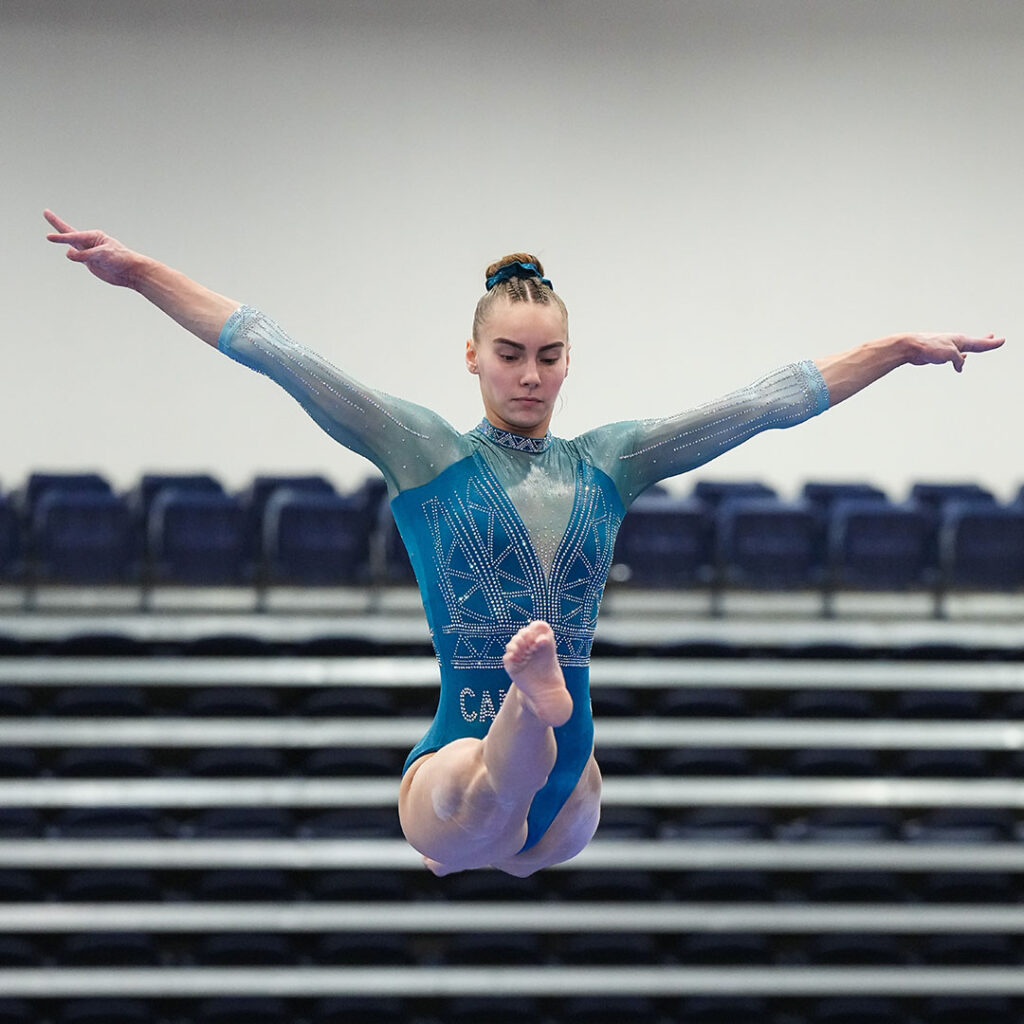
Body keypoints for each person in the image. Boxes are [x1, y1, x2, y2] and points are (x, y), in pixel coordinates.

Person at [44, 209, 1004, 877]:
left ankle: (530, 716)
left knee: (499, 824)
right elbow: (278, 352)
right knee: (477, 799)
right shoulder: (421, 447)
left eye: (548, 357)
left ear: (569, 362)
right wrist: (141, 274)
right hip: (476, 744)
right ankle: (530, 701)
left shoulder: (614, 460)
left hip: (565, 787)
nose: (530, 376)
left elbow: (763, 404)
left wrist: (892, 349)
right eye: (509, 355)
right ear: (472, 356)